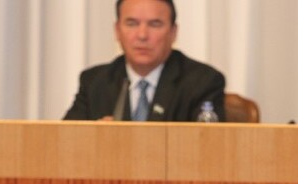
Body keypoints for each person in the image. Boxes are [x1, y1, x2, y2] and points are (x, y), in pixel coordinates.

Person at [63, 0, 226, 122]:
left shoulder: (203, 82)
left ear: (173, 32)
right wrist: (93, 136)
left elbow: (206, 146)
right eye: (132, 24)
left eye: (154, 24)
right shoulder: (95, 81)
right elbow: (65, 142)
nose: (142, 35)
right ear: (117, 31)